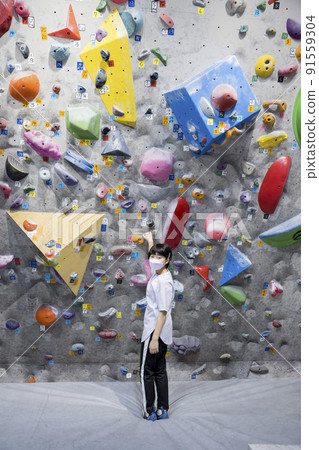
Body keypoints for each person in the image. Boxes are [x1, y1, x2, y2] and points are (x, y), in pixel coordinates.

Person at [139, 231, 175, 421]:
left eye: (159, 257)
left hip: (155, 331)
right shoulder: (161, 273)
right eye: (152, 256)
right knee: (160, 371)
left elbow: (162, 312)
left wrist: (154, 338)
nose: (154, 259)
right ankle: (163, 408)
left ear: (167, 260)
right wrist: (150, 241)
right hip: (163, 331)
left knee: (147, 373)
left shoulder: (162, 282)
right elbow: (152, 262)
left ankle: (149, 410)